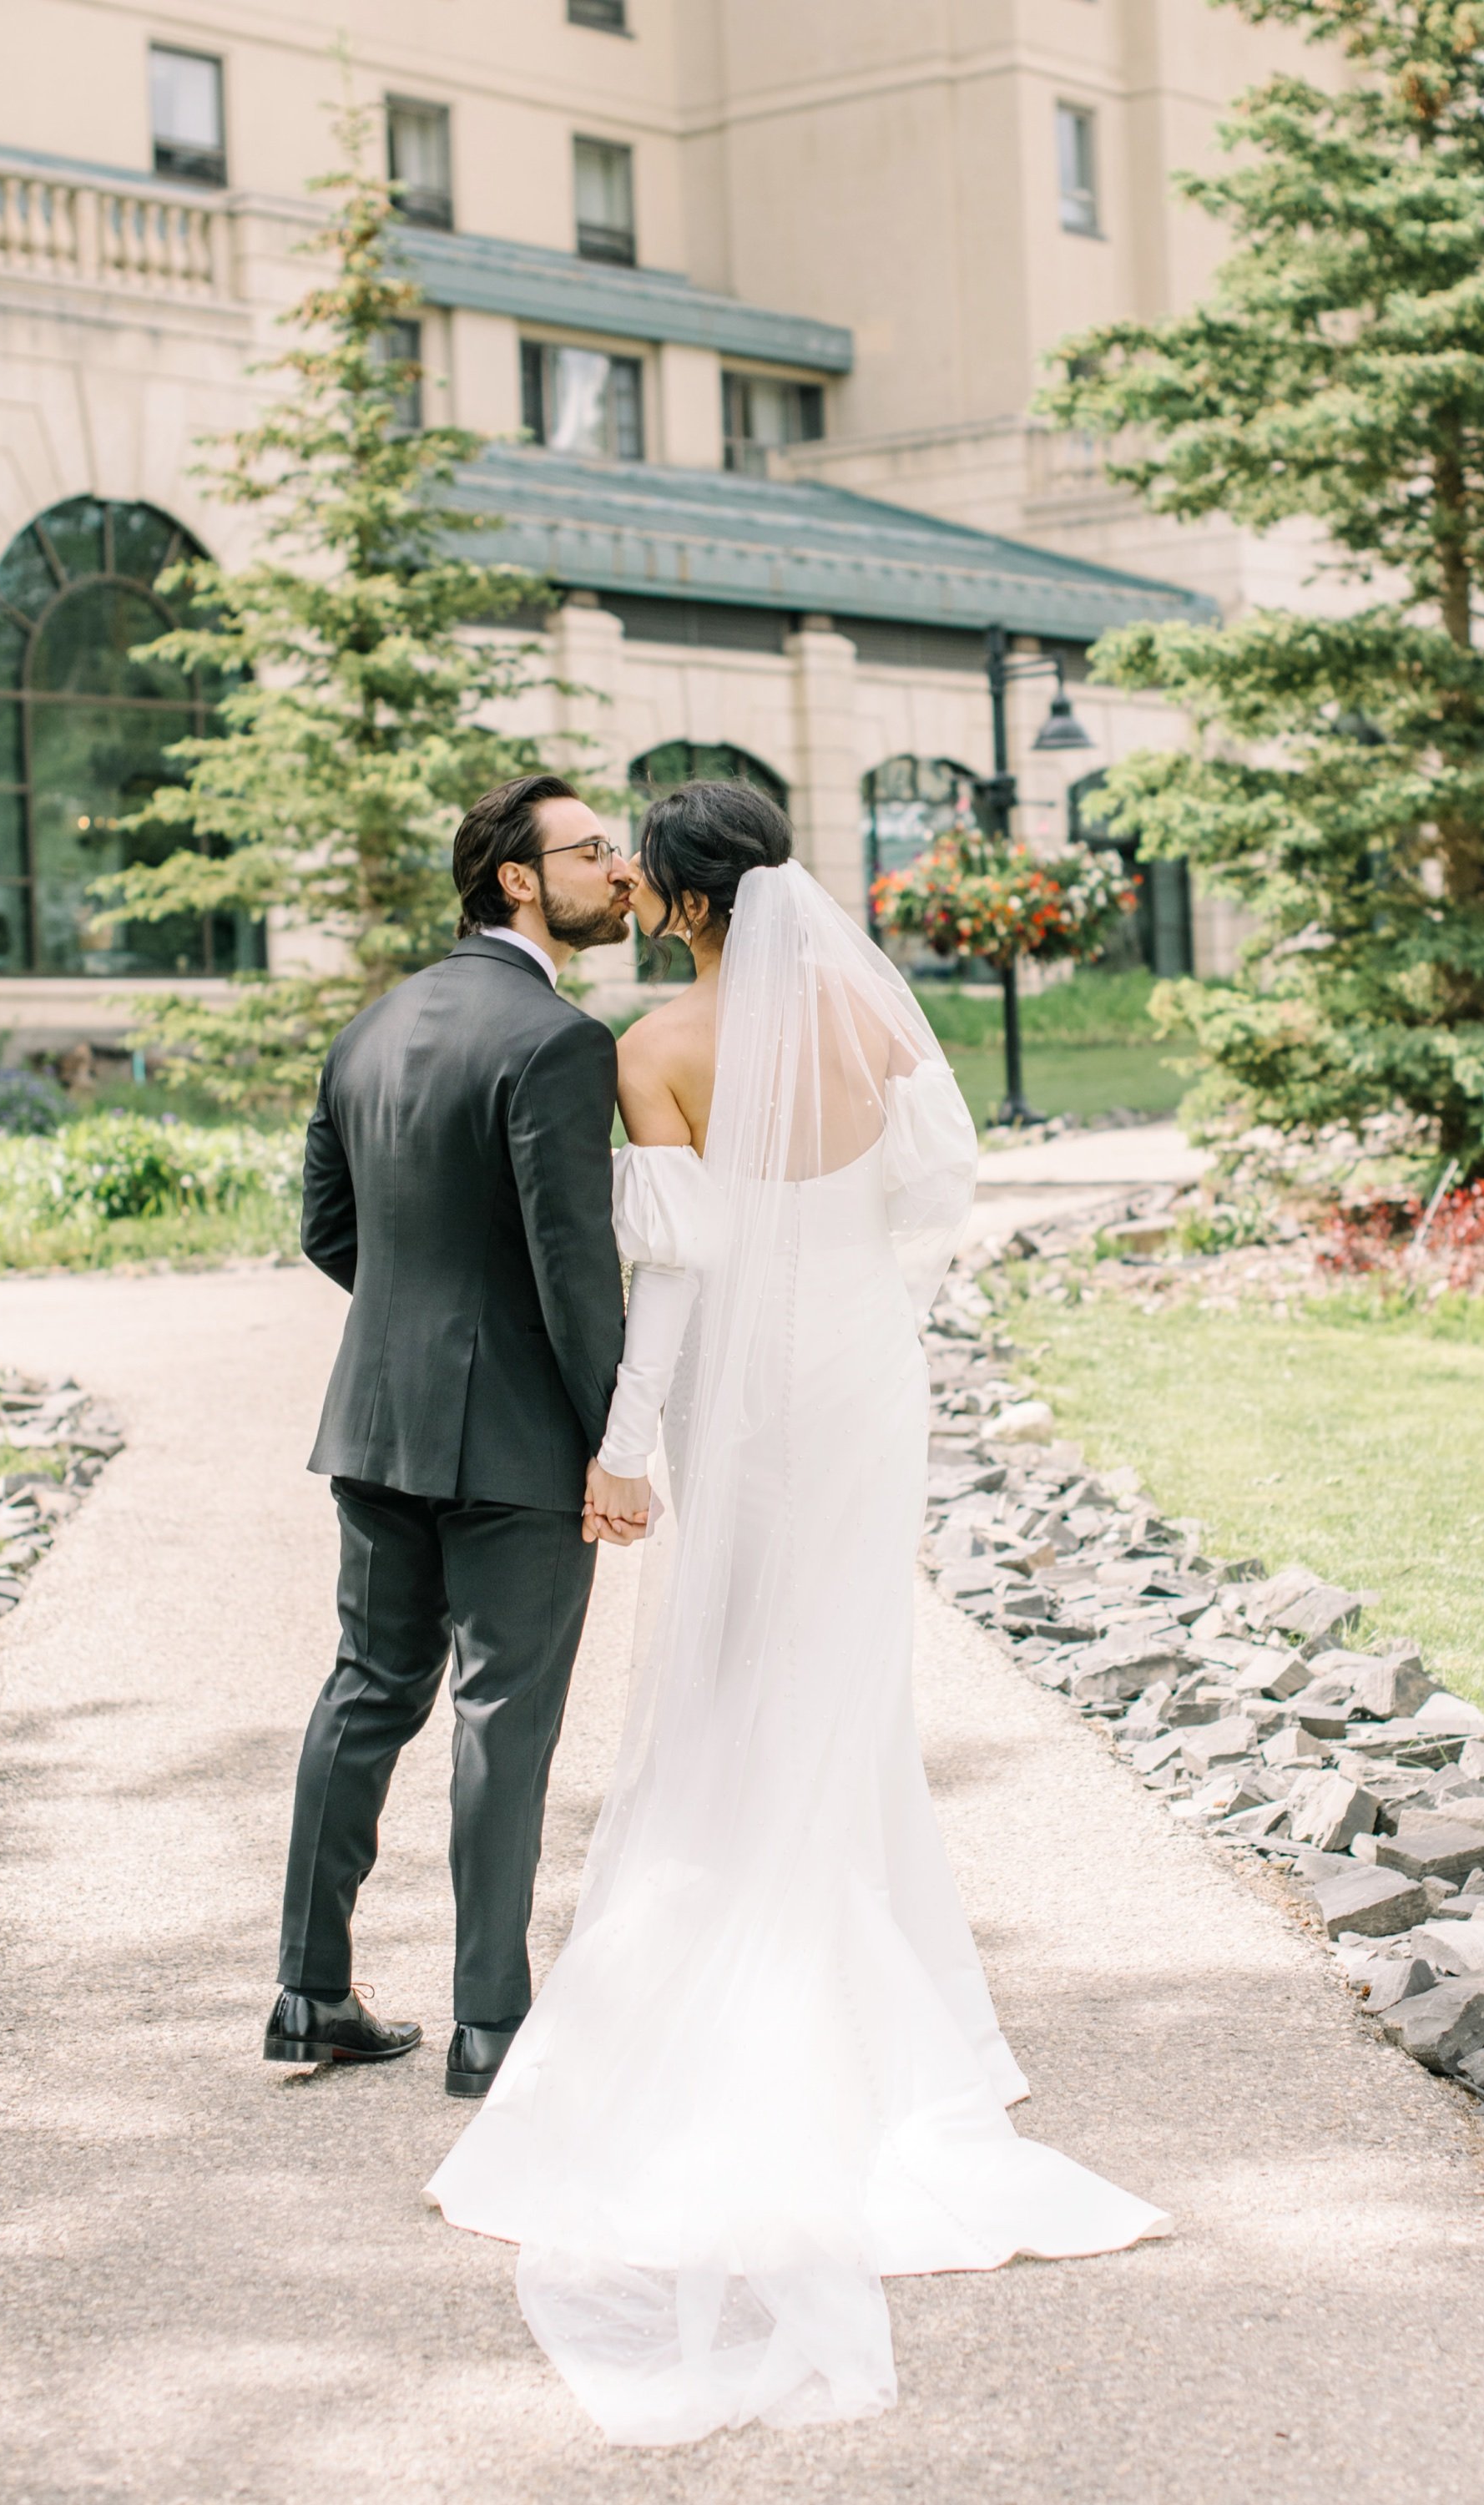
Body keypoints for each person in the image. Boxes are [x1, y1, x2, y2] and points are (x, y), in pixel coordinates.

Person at [427, 780, 1168, 2447]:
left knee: (732, 1676)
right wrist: (867, 1301)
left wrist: (624, 1450)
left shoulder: (654, 1051)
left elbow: (674, 1282)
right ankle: (914, 2009)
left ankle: (761, 1991)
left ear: (683, 906)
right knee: (846, 1678)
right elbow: (940, 1181)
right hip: (863, 1376)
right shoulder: (869, 1025)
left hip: (749, 1402)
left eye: (640, 866)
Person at [266, 773, 652, 2097]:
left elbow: (329, 1230)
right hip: (518, 1447)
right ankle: (492, 2024)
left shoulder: (367, 1029)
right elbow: (569, 1267)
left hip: (373, 1422)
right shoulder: (558, 1042)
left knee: (366, 1689)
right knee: (504, 1713)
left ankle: (308, 1992)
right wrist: (621, 1437)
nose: (616, 866)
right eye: (590, 849)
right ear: (516, 881)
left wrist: (415, 1333)